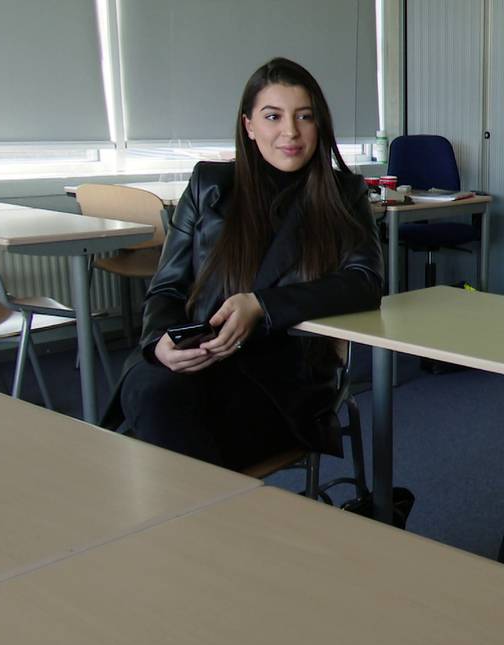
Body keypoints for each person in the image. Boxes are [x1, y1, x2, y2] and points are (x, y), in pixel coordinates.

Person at [102, 57, 382, 470]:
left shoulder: (344, 193)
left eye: (304, 116)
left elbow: (365, 282)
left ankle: (199, 524)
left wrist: (262, 306)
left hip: (284, 381)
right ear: (249, 126)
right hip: (200, 360)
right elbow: (167, 288)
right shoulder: (209, 185)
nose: (290, 131)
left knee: (156, 423)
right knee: (150, 384)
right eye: (273, 116)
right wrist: (160, 342)